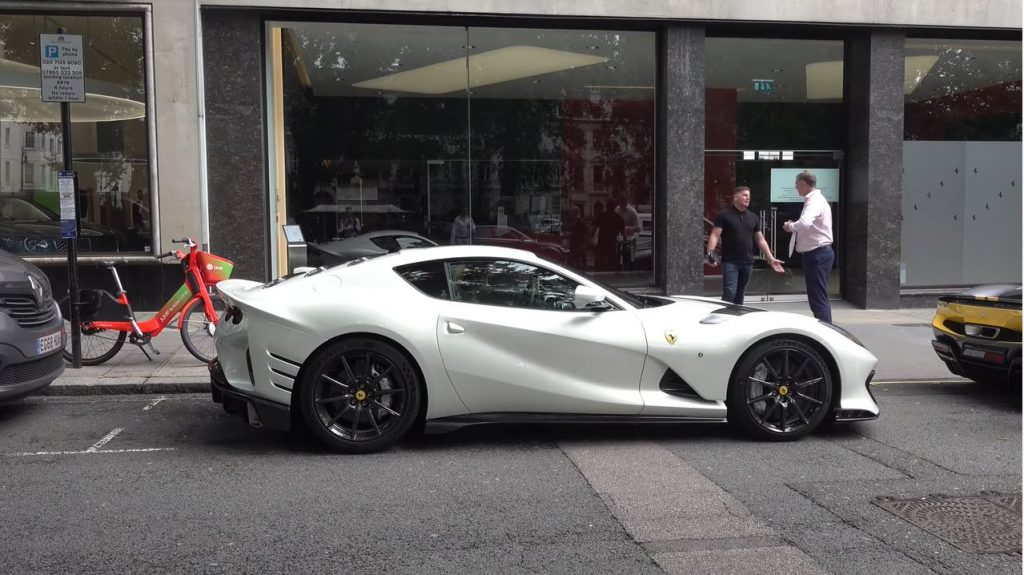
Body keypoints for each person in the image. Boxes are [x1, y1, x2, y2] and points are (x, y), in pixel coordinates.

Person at [706, 186, 785, 305]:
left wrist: (771, 258)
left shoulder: (753, 217)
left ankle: (737, 318)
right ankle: (724, 318)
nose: (748, 198)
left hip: (747, 262)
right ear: (735, 197)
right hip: (730, 262)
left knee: (740, 294)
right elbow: (714, 235)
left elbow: (760, 240)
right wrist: (710, 254)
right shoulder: (724, 215)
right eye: (744, 195)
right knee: (729, 293)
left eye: (749, 196)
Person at [783, 171, 834, 323]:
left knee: (818, 298)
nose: (795, 187)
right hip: (818, 254)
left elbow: (805, 223)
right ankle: (826, 329)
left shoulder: (814, 200)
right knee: (818, 296)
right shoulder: (815, 200)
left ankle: (826, 332)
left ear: (804, 184)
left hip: (817, 255)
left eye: (796, 184)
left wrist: (790, 226)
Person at [593, 200, 624, 271]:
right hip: (612, 243)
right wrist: (624, 242)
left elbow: (593, 229)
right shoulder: (618, 218)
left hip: (602, 242)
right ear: (614, 207)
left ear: (606, 207)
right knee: (611, 263)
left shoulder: (601, 216)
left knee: (599, 263)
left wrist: (587, 240)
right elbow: (623, 232)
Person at [614, 194, 641, 271]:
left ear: (627, 200)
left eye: (623, 200)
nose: (622, 202)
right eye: (620, 200)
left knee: (631, 259)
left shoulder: (632, 212)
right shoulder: (617, 209)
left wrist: (626, 229)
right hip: (619, 239)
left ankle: (631, 272)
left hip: (631, 240)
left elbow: (638, 228)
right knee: (619, 259)